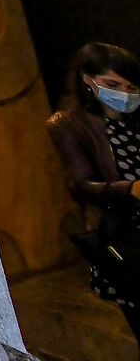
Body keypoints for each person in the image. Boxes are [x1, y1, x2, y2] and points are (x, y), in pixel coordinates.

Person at [52, 41, 140, 343]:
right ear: (87, 79)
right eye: (113, 85)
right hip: (125, 235)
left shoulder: (135, 120)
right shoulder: (69, 124)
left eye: (131, 87)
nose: (124, 94)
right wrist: (130, 189)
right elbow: (81, 185)